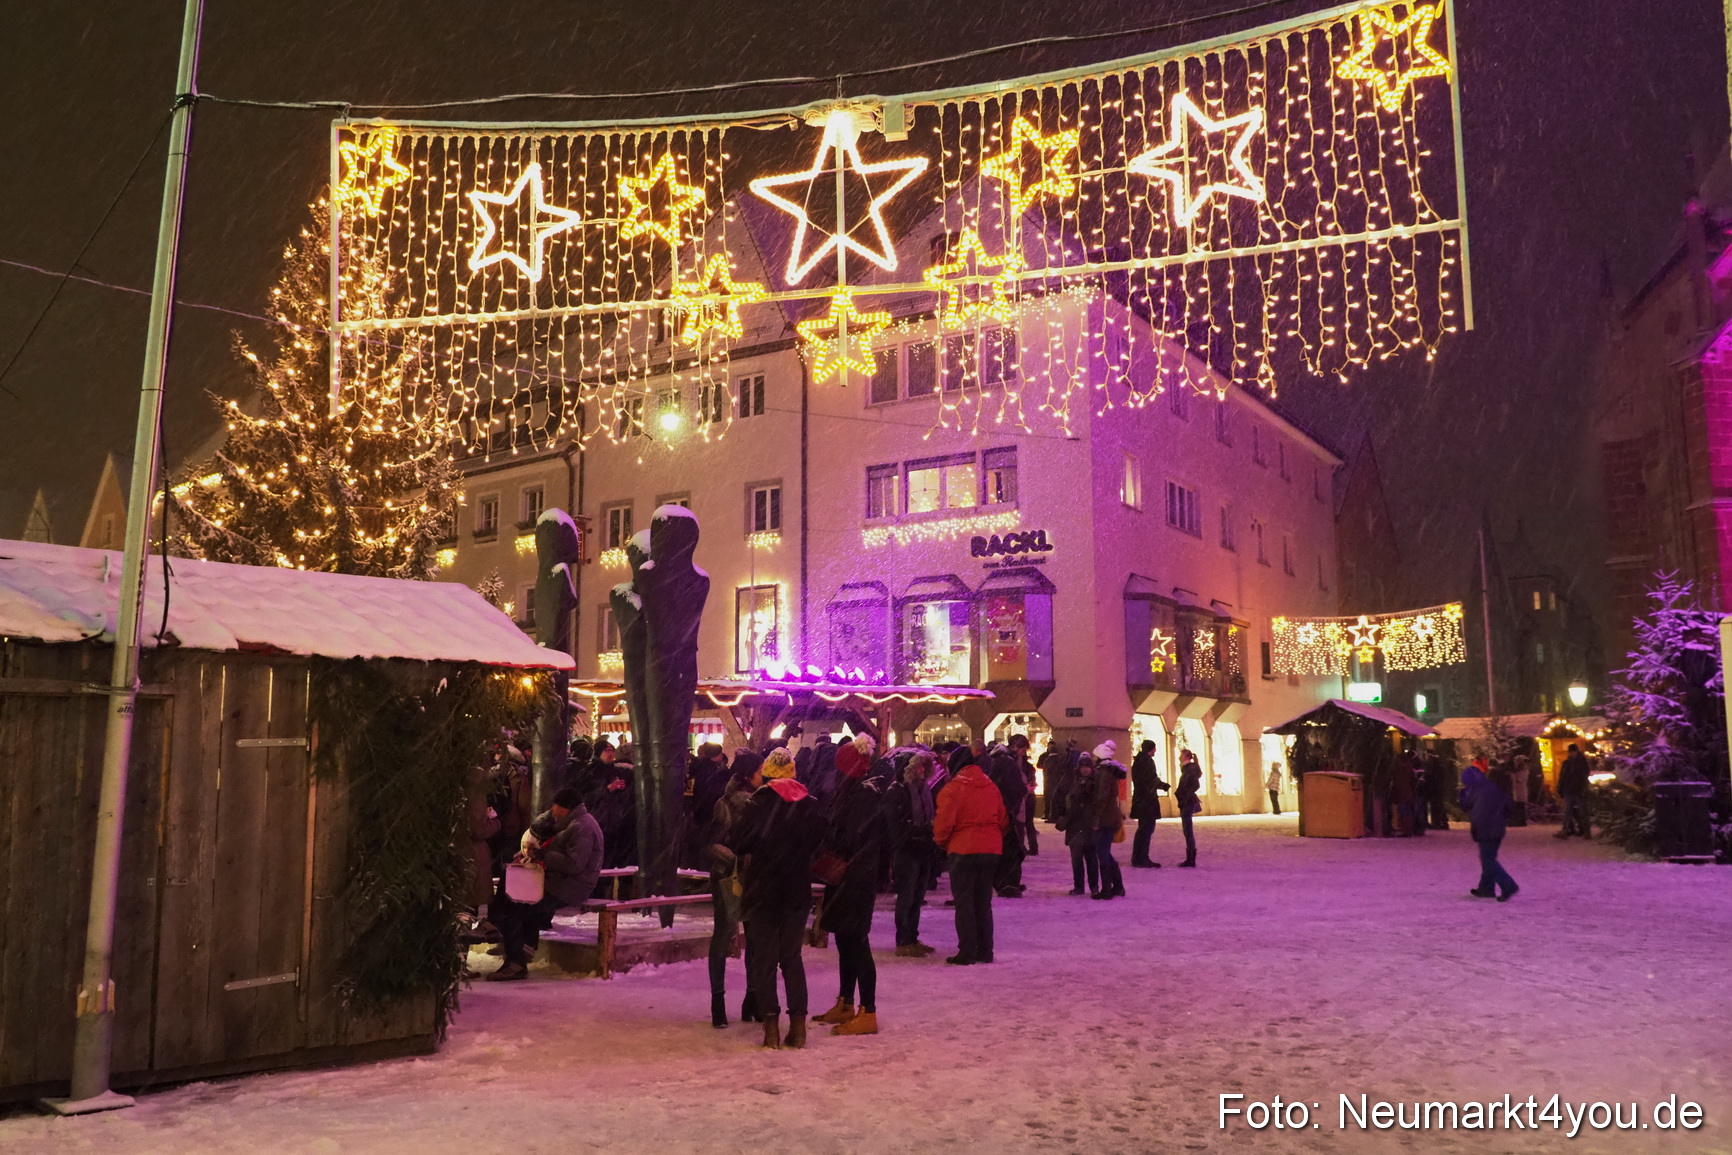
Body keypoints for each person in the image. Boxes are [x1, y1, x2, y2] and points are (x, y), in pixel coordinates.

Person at [727, 748, 827, 1048]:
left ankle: (770, 1027)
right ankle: (798, 1027)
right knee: (792, 959)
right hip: (796, 888)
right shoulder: (810, 805)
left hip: (763, 889)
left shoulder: (758, 803)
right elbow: (818, 844)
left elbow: (739, 843)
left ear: (769, 772)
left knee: (765, 960)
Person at [489, 786, 604, 982]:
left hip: (569, 888)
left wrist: (543, 855)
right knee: (514, 891)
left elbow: (573, 864)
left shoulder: (581, 827)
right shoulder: (574, 822)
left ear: (566, 807)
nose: (552, 810)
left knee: (515, 905)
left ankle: (515, 961)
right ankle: (523, 947)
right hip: (561, 883)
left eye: (555, 806)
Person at [813, 736, 886, 1037]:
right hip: (849, 878)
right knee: (846, 941)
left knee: (856, 942)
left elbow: (849, 838)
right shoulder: (858, 794)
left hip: (854, 879)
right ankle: (845, 1001)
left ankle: (867, 1011)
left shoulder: (859, 798)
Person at [933, 747, 1009, 965]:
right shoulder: (991, 786)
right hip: (991, 850)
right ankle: (986, 950)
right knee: (983, 902)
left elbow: (943, 825)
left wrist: (943, 843)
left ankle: (967, 951)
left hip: (963, 849)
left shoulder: (952, 789)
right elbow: (1003, 820)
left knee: (964, 902)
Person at [704, 750, 761, 1028]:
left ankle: (751, 998)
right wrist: (738, 861)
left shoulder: (762, 803)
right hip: (730, 877)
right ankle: (719, 1001)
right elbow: (710, 842)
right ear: (748, 776)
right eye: (760, 771)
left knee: (754, 938)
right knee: (725, 935)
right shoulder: (726, 805)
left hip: (751, 878)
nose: (765, 776)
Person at [885, 752, 939, 957]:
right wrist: (922, 831)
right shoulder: (897, 791)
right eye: (919, 767)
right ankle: (903, 939)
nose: (922, 771)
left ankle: (912, 937)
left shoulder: (923, 789)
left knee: (917, 896)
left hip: (923, 848)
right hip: (907, 850)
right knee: (906, 896)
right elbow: (896, 827)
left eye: (925, 767)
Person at [1460, 760, 1518, 901]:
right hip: (1497, 827)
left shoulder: (1473, 791)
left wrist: (1462, 795)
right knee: (1488, 858)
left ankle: (1507, 885)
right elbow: (1508, 805)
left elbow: (1468, 808)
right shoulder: (1491, 787)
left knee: (1488, 860)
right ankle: (1486, 888)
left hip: (1485, 828)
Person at [986, 740, 1029, 897]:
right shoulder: (1007, 762)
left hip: (1003, 811)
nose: (1023, 754)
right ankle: (1007, 884)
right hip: (1006, 812)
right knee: (1012, 851)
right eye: (1022, 750)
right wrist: (1024, 789)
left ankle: (1007, 883)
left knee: (1010, 850)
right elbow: (1014, 788)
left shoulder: (999, 761)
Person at [1057, 754, 1101, 895]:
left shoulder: (1097, 782)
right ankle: (1079, 886)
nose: (1085, 770)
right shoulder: (1072, 781)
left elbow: (1099, 802)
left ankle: (1094, 887)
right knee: (1076, 859)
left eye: (1087, 766)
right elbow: (1061, 796)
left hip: (1089, 825)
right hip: (1074, 824)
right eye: (1082, 767)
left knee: (1091, 858)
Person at [1090, 742, 1128, 899]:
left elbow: (1101, 798)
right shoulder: (1108, 772)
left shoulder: (1103, 773)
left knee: (1103, 853)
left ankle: (1108, 889)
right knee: (1104, 852)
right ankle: (1117, 886)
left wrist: (1096, 819)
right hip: (1111, 816)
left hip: (1106, 818)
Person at [1129, 739, 1169, 867]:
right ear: (1150, 749)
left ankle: (1137, 857)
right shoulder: (1147, 762)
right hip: (1147, 801)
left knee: (1142, 830)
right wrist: (1162, 785)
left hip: (1140, 800)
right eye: (1154, 748)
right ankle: (1142, 858)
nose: (1155, 751)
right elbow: (1150, 779)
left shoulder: (1138, 761)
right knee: (1146, 829)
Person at [1557, 744, 1593, 838]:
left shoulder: (1582, 763)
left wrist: (1583, 789)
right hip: (1569, 790)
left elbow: (1583, 777)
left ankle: (1585, 831)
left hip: (1578, 790)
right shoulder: (1567, 763)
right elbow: (1562, 777)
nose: (1572, 753)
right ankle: (1566, 829)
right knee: (1568, 811)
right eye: (1570, 752)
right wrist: (1561, 788)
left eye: (1573, 751)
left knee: (1582, 811)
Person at [1175, 749, 1202, 867]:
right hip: (1186, 801)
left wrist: (1185, 795)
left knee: (1188, 830)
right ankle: (1190, 858)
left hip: (1187, 802)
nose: (1179, 757)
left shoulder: (1189, 770)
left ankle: (1191, 859)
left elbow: (1194, 785)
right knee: (1187, 830)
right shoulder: (1188, 769)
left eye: (1180, 755)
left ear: (1185, 756)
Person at [1391, 752, 1417, 836]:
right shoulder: (1409, 768)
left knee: (1404, 812)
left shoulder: (1401, 769)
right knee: (1407, 812)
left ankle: (1406, 830)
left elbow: (1399, 781)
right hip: (1408, 793)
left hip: (1403, 793)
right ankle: (1409, 829)